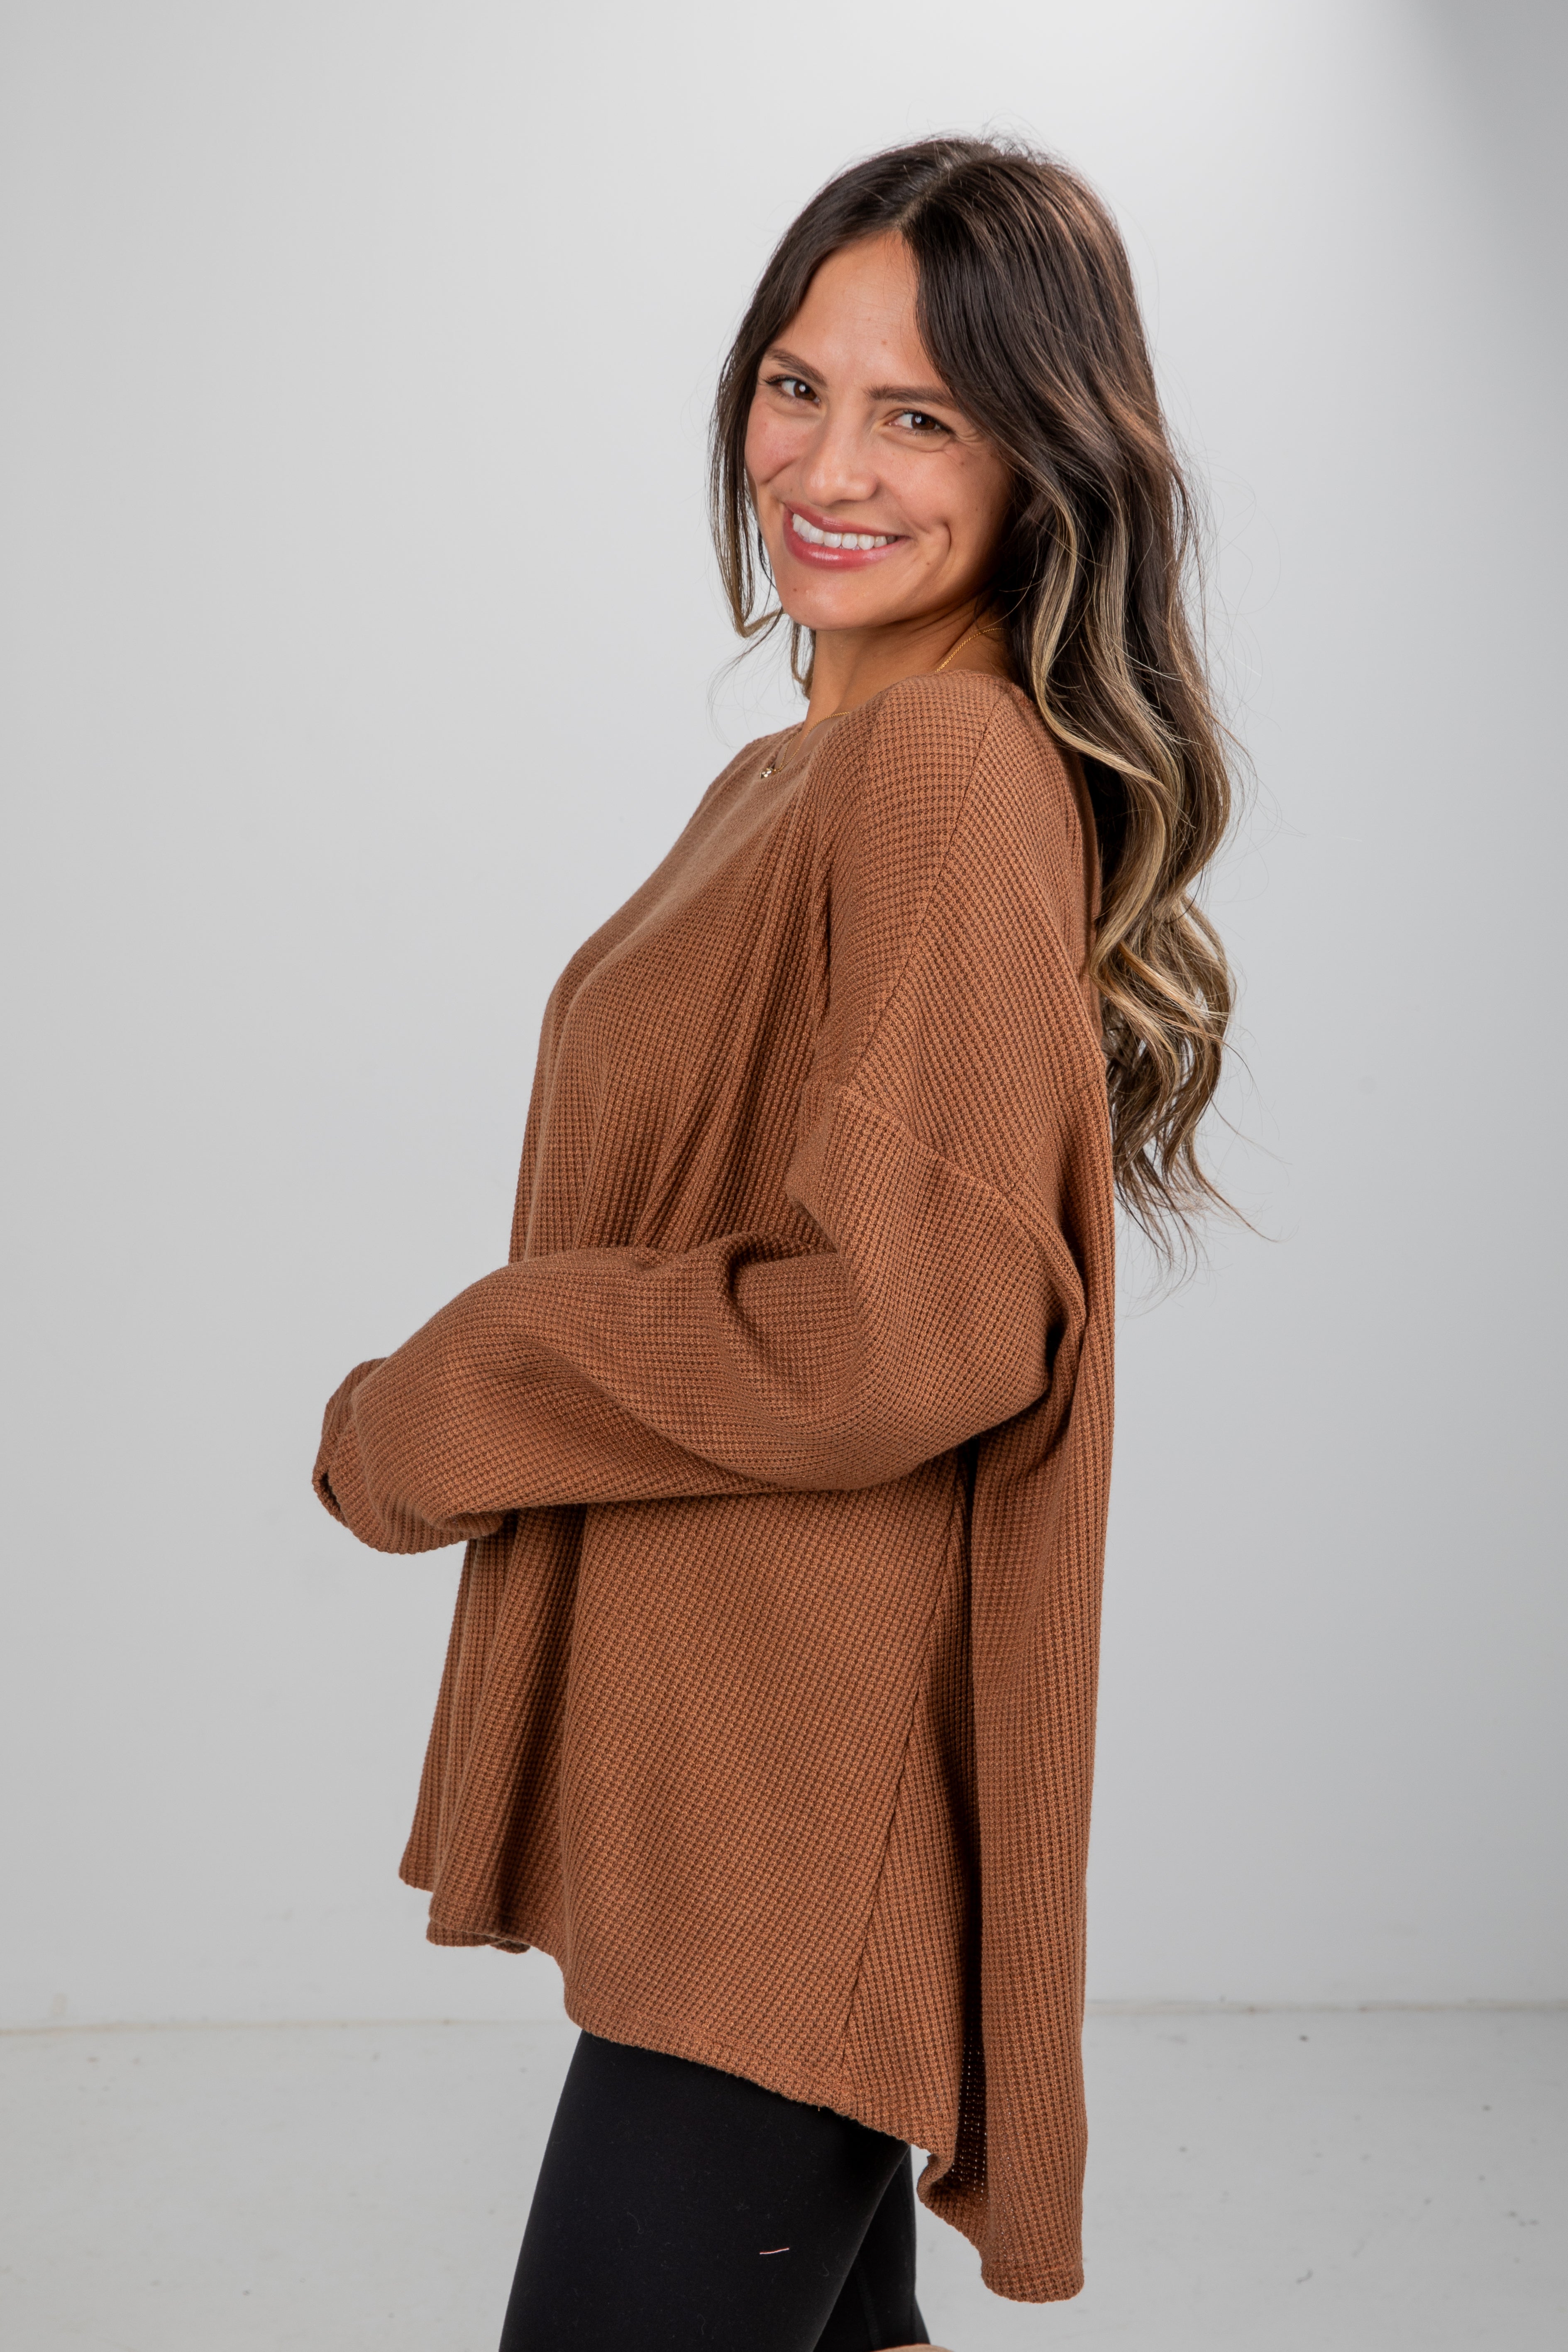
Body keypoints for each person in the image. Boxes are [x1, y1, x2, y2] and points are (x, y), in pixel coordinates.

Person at [312, 134, 1235, 2351]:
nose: (829, 464)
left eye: (918, 415)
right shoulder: (801, 768)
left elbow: (911, 1332)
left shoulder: (937, 767)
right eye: (794, 386)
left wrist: (473, 1376)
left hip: (794, 1819)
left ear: (1047, 461)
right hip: (747, 1769)